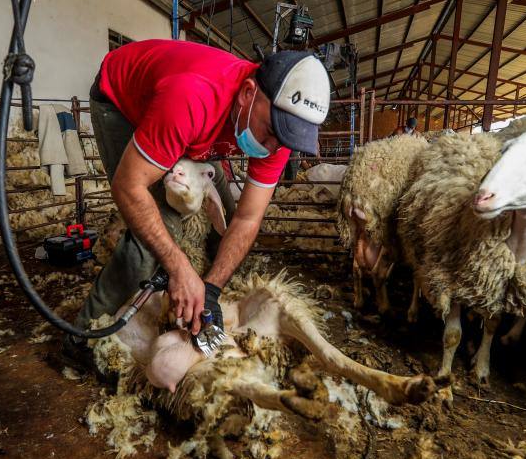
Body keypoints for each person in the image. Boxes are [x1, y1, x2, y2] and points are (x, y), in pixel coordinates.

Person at [65, 40, 330, 360]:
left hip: (197, 121)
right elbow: (128, 187)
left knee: (228, 219)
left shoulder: (274, 132)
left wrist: (212, 290)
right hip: (121, 100)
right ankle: (84, 336)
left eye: (285, 139)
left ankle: (200, 293)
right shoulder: (194, 96)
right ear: (247, 94)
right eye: (272, 132)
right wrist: (177, 267)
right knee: (159, 229)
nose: (274, 148)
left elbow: (248, 219)